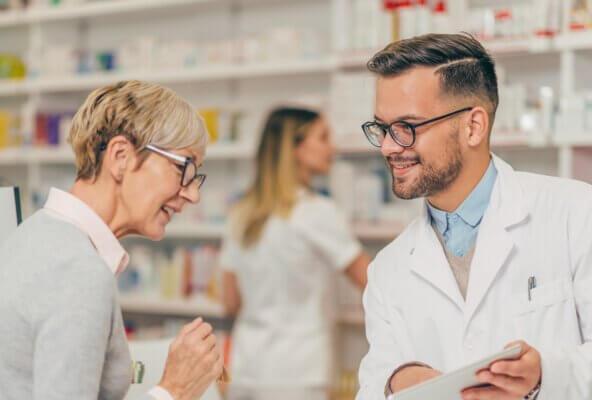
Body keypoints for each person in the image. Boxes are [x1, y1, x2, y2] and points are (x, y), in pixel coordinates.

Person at [356, 33, 592, 400]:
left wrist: (546, 375)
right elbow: (371, 385)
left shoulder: (576, 215)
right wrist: (395, 381)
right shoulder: (389, 268)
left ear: (473, 126)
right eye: (383, 129)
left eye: (407, 128)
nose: (388, 146)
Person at [0, 80, 224, 400]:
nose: (193, 194)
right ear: (121, 156)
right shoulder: (77, 271)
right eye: (184, 168)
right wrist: (174, 391)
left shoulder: (34, 235)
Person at [220, 107, 371, 400]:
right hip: (299, 372)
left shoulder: (241, 213)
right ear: (296, 148)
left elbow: (230, 301)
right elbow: (371, 280)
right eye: (323, 137)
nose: (333, 147)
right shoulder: (317, 212)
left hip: (247, 368)